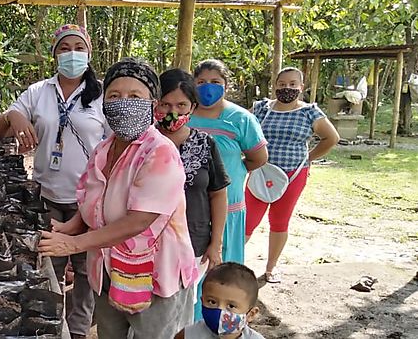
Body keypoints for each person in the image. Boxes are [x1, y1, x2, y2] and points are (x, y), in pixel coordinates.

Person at [38, 58, 197, 339]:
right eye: (114, 96)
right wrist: (69, 227)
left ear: (153, 105)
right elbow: (92, 202)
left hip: (156, 275)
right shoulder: (103, 150)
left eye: (135, 96)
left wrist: (73, 244)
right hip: (108, 270)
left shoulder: (160, 151)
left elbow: (139, 220)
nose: (123, 103)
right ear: (104, 104)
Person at [0, 24, 109, 339]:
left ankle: (80, 330)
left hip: (90, 200)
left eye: (78, 47)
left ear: (89, 53)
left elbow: (116, 147)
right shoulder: (38, 91)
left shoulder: (102, 95)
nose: (72, 54)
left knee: (85, 270)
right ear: (55, 54)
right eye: (65, 48)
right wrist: (14, 116)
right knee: (48, 268)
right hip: (46, 196)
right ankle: (54, 327)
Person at [246, 67, 339, 283]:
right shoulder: (261, 109)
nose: (286, 88)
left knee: (280, 221)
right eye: (282, 84)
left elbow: (331, 138)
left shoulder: (310, 112)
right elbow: (244, 132)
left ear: (301, 87)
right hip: (261, 173)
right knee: (248, 220)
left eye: (292, 84)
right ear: (275, 86)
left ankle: (271, 268)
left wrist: (309, 158)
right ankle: (232, 264)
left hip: (293, 175)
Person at [155, 68, 230, 321]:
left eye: (181, 104)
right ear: (154, 104)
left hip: (193, 242)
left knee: (181, 311)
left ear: (193, 107)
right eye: (165, 104)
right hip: (146, 245)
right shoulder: (141, 143)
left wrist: (215, 243)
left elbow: (218, 195)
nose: (172, 112)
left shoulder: (205, 144)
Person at [188, 59, 268, 266]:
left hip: (228, 204)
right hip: (191, 206)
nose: (208, 86)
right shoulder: (183, 114)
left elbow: (258, 157)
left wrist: (229, 171)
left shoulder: (241, 118)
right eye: (201, 81)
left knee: (222, 268)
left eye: (215, 81)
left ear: (226, 85)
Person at [174, 262, 265, 339]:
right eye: (212, 302)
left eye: (231, 306)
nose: (220, 310)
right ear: (202, 301)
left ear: (251, 314)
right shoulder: (188, 335)